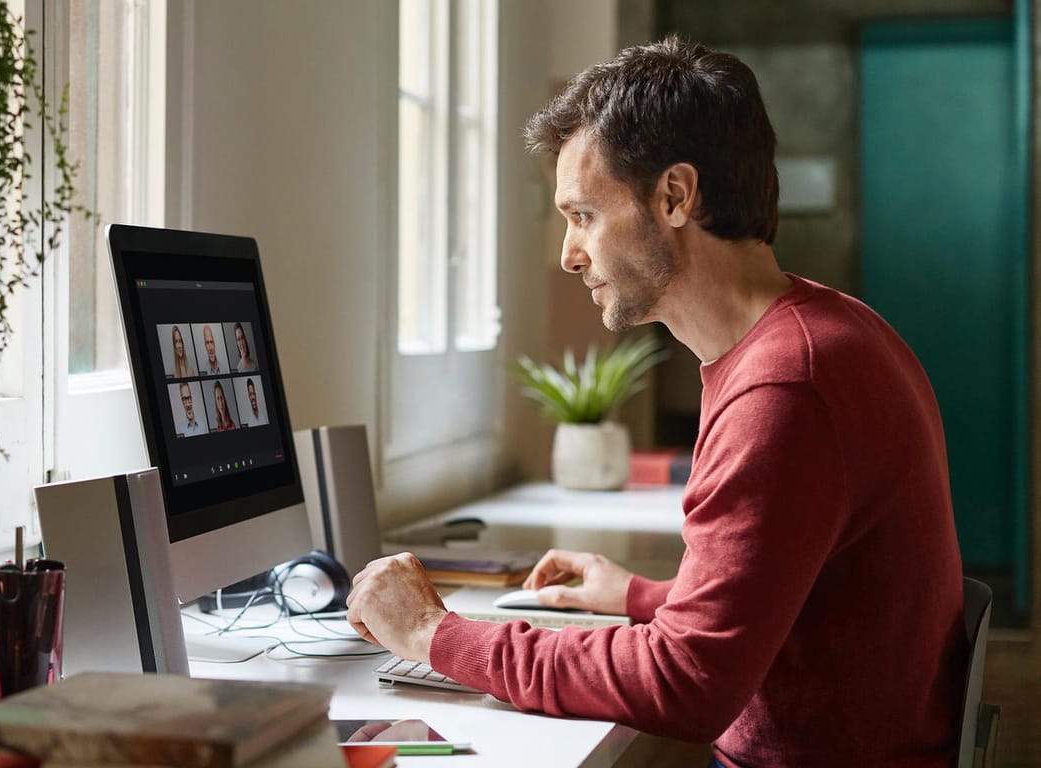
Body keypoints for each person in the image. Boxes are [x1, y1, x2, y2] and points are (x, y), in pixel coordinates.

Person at [345, 36, 966, 767]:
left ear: (675, 196)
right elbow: (787, 587)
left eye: (583, 215)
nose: (571, 254)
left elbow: (685, 683)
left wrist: (431, 635)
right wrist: (643, 596)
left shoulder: (787, 385)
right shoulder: (824, 331)